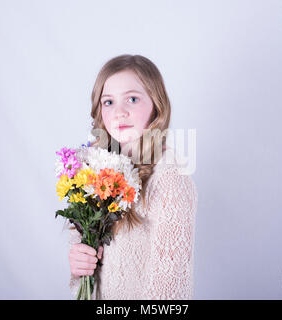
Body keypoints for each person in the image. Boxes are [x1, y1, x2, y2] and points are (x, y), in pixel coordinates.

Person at [66, 54, 198, 299]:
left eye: (133, 99)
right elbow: (86, 274)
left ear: (156, 106)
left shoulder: (169, 174)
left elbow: (170, 288)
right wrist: (79, 262)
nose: (119, 112)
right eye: (109, 102)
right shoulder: (92, 169)